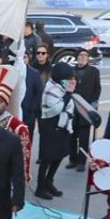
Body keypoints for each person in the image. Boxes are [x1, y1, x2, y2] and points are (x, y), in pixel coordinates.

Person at [35, 62, 76, 199]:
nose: (70, 81)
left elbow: (68, 106)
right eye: (68, 78)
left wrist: (68, 95)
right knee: (47, 158)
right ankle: (40, 187)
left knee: (59, 155)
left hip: (62, 127)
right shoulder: (50, 89)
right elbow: (56, 109)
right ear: (60, 78)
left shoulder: (62, 88)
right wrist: (68, 95)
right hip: (50, 127)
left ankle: (49, 182)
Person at [67, 49, 101, 171]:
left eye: (85, 55)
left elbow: (97, 88)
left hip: (86, 108)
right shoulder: (71, 71)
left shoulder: (94, 71)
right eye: (80, 55)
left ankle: (82, 161)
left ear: (88, 58)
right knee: (71, 136)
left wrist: (93, 104)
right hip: (72, 108)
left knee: (84, 138)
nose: (82, 57)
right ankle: (72, 159)